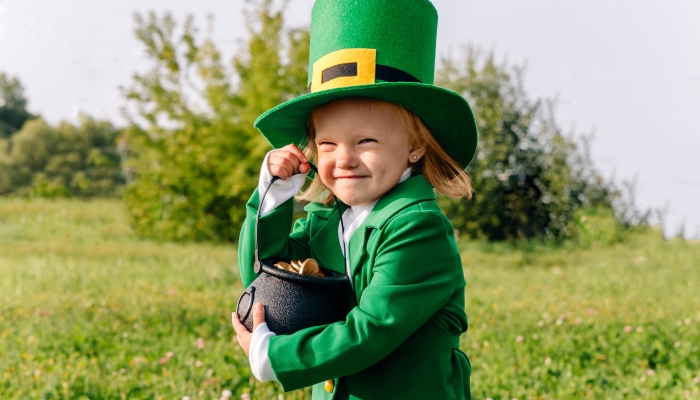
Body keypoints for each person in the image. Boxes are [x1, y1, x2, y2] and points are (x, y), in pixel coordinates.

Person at [232, 0, 478, 399]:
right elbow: (264, 272)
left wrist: (274, 355)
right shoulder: (328, 220)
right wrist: (273, 196)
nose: (343, 158)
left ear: (415, 144)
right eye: (327, 144)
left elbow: (374, 327)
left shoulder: (418, 227)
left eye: (365, 141)